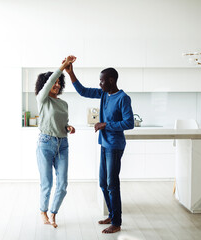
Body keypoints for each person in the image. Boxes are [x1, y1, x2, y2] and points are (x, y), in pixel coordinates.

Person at [65, 62, 134, 234]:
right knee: (103, 183)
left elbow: (129, 123)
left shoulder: (123, 98)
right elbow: (83, 91)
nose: (99, 84)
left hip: (115, 146)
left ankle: (116, 222)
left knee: (112, 184)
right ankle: (111, 215)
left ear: (111, 80)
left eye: (102, 80)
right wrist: (71, 73)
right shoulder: (104, 94)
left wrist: (106, 124)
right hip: (104, 145)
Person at [35, 55, 76, 228]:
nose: (57, 84)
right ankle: (43, 211)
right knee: (47, 183)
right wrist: (63, 66)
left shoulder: (64, 104)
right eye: (55, 82)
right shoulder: (42, 100)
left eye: (60, 82)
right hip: (45, 144)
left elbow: (63, 123)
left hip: (63, 145)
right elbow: (49, 81)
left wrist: (68, 127)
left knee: (63, 184)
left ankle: (53, 212)